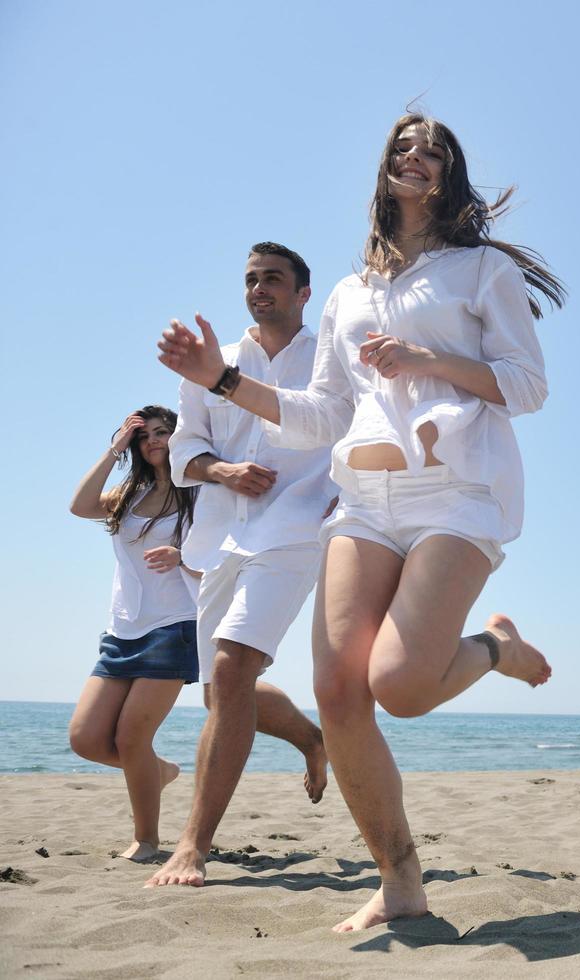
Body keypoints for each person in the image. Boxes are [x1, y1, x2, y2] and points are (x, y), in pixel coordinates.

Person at [156, 113, 558, 931]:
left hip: (457, 491)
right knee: (338, 690)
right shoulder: (348, 292)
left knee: (401, 688)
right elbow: (321, 415)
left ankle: (493, 647)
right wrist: (224, 380)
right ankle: (400, 879)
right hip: (364, 501)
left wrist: (426, 361)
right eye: (403, 148)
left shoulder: (481, 271)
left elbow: (527, 385)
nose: (417, 157)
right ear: (383, 171)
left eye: (434, 150)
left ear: (450, 174)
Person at [146, 242, 336, 891]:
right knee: (222, 690)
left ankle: (192, 847)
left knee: (231, 669)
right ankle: (312, 739)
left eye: (273, 279)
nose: (259, 289)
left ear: (302, 292)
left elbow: (359, 428)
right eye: (251, 279)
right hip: (217, 540)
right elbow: (183, 454)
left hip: (298, 527)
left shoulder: (330, 358)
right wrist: (221, 469)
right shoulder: (212, 361)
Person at [67, 406, 200, 861]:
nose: (154, 441)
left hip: (174, 625)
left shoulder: (198, 493)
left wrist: (182, 556)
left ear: (179, 438)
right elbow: (80, 504)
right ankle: (157, 771)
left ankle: (146, 840)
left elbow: (224, 552)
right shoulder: (129, 494)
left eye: (163, 432)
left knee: (130, 738)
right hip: (122, 630)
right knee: (84, 739)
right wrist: (113, 449)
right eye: (145, 437)